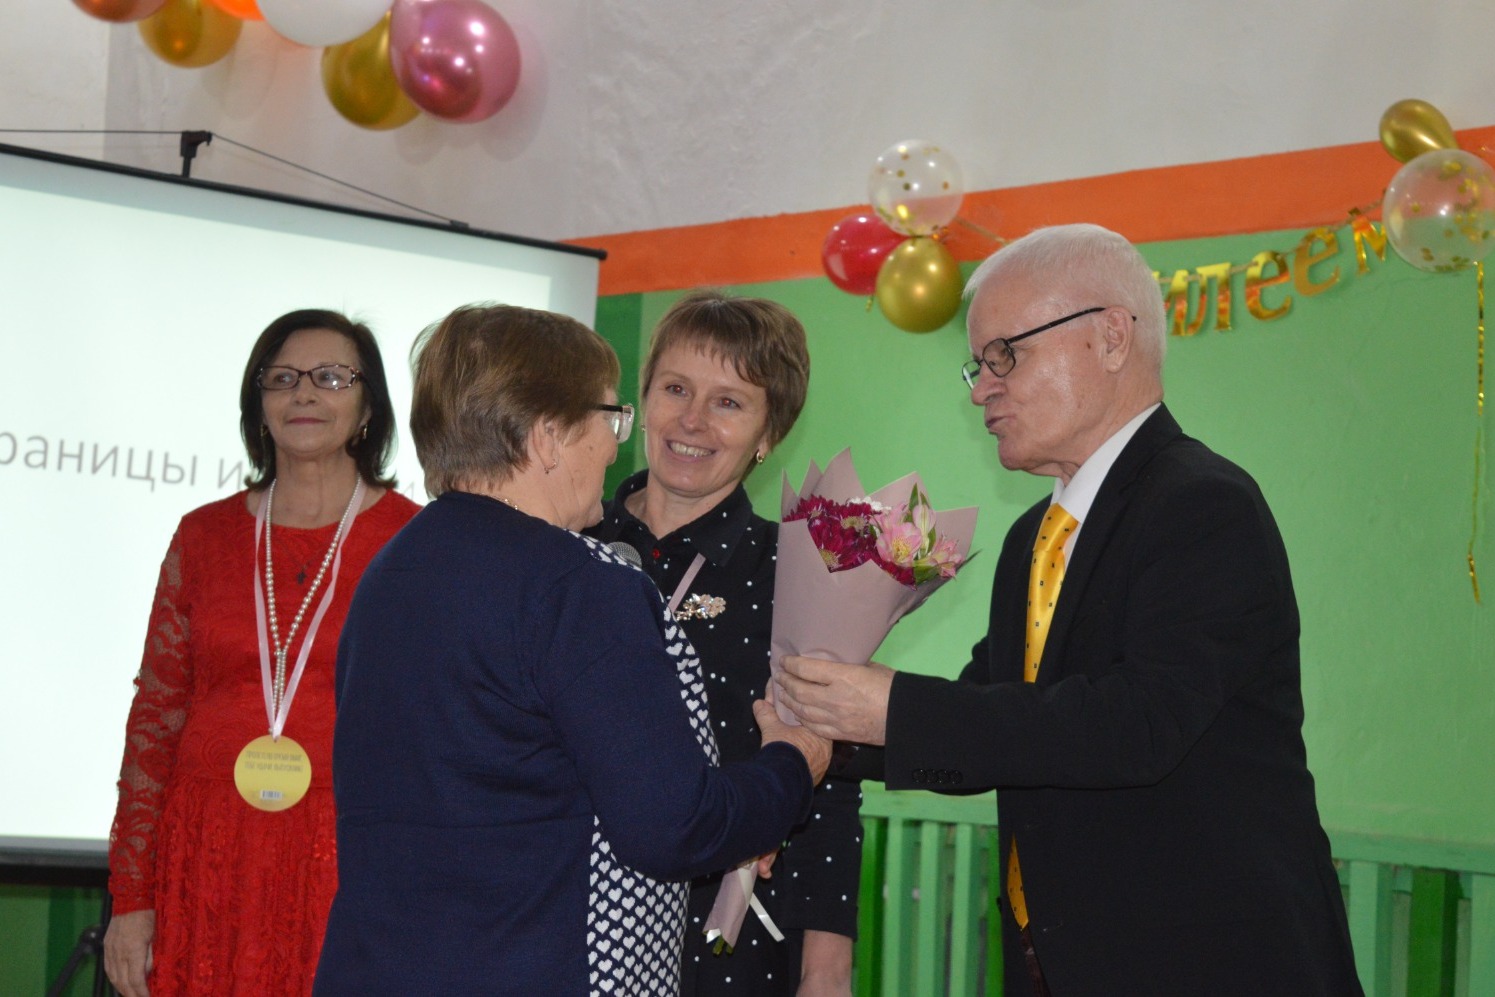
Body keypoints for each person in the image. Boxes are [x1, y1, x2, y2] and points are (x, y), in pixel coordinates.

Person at [778, 224, 1363, 996]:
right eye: (977, 365)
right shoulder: (1034, 536)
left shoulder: (1202, 505)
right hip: (1060, 958)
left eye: (1004, 355)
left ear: (1111, 337)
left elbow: (1137, 725)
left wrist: (892, 707)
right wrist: (824, 728)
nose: (981, 388)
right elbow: (992, 713)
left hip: (1203, 960)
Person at [313, 303, 831, 996]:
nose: (615, 448)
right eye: (608, 419)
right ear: (550, 436)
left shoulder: (390, 570)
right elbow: (672, 827)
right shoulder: (583, 585)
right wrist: (791, 766)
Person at [103, 309, 421, 997]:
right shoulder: (203, 536)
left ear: (368, 407)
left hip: (348, 863)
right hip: (205, 859)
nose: (303, 393)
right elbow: (155, 719)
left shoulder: (413, 541)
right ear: (259, 404)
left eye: (330, 377)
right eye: (282, 378)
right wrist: (131, 897)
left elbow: (436, 733)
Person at [586, 289, 861, 997]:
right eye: (676, 389)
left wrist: (826, 968)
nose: (692, 420)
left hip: (725, 933)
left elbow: (828, 779)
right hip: (563, 918)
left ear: (770, 432)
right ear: (643, 399)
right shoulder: (568, 544)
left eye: (729, 402)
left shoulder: (795, 572)